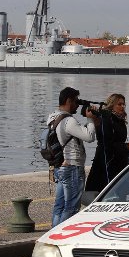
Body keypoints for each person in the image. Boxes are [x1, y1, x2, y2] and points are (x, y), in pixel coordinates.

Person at [48, 87, 99, 226]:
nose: (77, 105)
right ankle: (62, 235)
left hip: (60, 166)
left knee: (59, 206)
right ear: (69, 101)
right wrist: (90, 119)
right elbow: (89, 137)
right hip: (72, 167)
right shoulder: (68, 121)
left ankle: (54, 234)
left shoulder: (53, 117)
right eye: (76, 102)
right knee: (71, 207)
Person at [85, 94, 129, 193]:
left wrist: (126, 146)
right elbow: (107, 143)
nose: (122, 106)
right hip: (107, 160)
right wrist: (126, 146)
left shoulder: (119, 119)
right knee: (107, 189)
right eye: (119, 104)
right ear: (112, 105)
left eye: (123, 104)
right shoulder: (106, 119)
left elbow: (117, 141)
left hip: (119, 159)